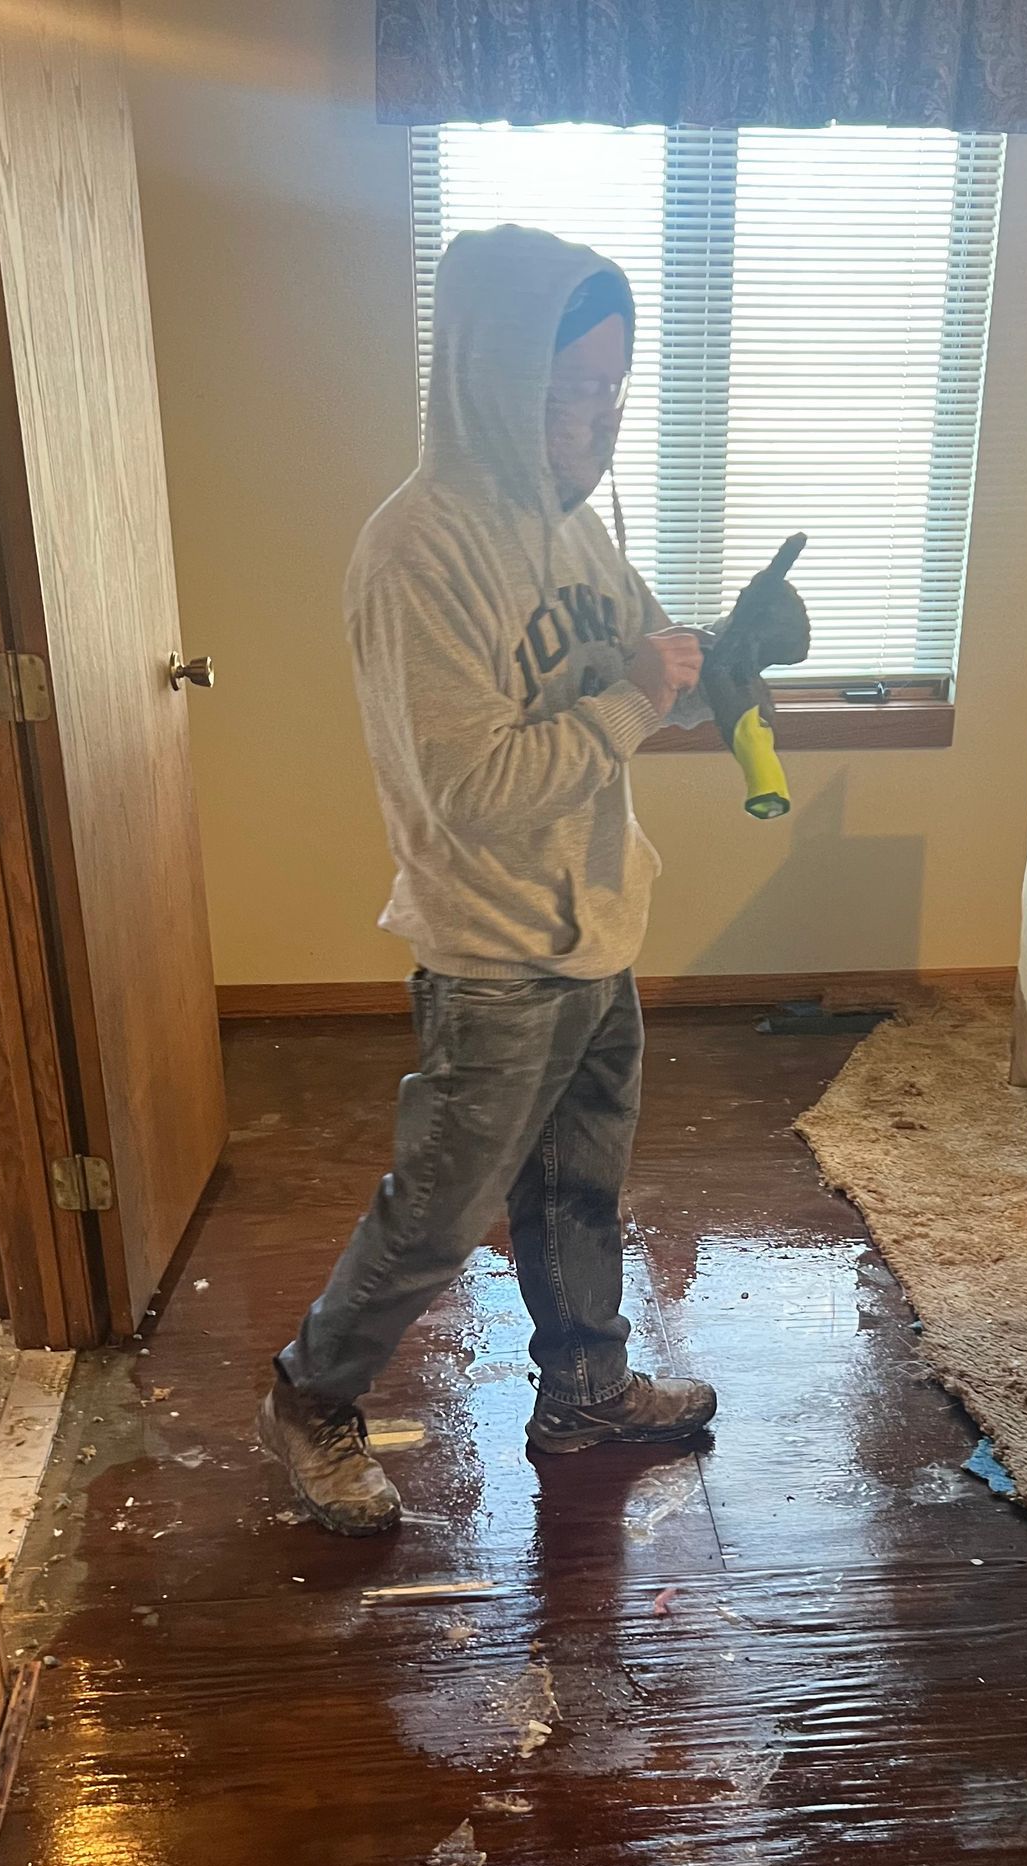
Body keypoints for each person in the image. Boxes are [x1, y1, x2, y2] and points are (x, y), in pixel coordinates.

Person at [259, 226, 718, 1535]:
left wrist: (706, 666)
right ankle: (309, 1401)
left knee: (579, 1185)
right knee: (439, 1214)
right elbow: (469, 795)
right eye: (572, 394)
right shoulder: (416, 554)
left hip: (595, 924)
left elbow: (640, 660)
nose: (600, 423)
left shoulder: (572, 530)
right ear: (492, 385)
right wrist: (637, 700)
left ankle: (582, 1391)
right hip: (494, 954)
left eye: (614, 392)